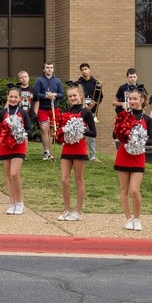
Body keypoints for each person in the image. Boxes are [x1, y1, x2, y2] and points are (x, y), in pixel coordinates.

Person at [113, 89, 152, 231]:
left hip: (138, 157)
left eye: (135, 99)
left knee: (135, 190)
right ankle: (128, 218)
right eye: (130, 99)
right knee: (124, 189)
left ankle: (137, 219)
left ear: (142, 100)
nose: (132, 101)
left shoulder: (148, 119)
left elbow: (151, 140)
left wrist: (138, 139)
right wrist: (123, 132)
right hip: (123, 155)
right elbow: (115, 133)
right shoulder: (122, 115)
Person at [57, 83, 97, 221]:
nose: (73, 98)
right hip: (67, 148)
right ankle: (66, 209)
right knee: (64, 180)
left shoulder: (86, 112)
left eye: (75, 95)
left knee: (79, 179)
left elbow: (93, 132)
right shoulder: (67, 111)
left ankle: (78, 211)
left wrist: (81, 130)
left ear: (80, 95)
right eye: (70, 96)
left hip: (79, 148)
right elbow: (61, 129)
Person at [0, 85, 34, 215]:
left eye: (15, 97)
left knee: (14, 174)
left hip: (18, 145)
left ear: (19, 99)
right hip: (5, 147)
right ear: (7, 98)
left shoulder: (23, 113)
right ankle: (12, 203)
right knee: (8, 176)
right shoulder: (2, 113)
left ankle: (19, 202)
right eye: (10, 96)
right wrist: (3, 134)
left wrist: (20, 133)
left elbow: (29, 130)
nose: (12, 99)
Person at [33, 62, 64, 161]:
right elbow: (35, 93)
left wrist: (55, 95)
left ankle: (48, 152)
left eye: (51, 68)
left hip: (54, 108)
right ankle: (46, 151)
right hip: (42, 108)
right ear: (44, 69)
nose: (49, 69)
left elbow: (62, 94)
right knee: (43, 128)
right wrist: (45, 96)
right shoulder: (39, 80)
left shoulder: (57, 81)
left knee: (51, 130)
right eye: (47, 67)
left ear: (53, 69)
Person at [75, 63, 103, 162]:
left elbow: (100, 96)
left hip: (92, 111)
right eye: (82, 70)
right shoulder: (78, 83)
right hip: (81, 111)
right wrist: (83, 105)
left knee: (92, 133)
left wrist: (94, 103)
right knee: (80, 132)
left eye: (86, 69)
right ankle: (82, 153)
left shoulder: (96, 83)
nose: (84, 71)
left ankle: (93, 156)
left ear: (89, 70)